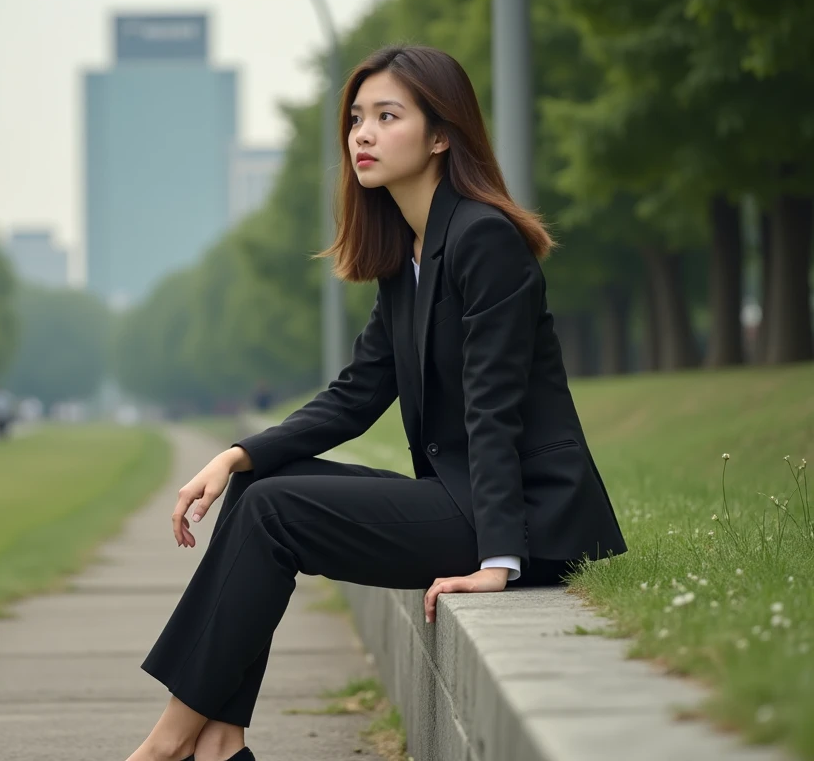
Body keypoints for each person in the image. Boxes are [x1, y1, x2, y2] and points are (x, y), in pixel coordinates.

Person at [126, 46, 628, 761]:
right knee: (260, 485)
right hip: (462, 503)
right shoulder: (411, 256)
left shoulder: (485, 240)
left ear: (441, 134)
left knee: (276, 510)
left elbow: (494, 410)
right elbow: (356, 395)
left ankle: (165, 747)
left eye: (386, 116)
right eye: (356, 118)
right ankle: (219, 743)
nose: (361, 134)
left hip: (517, 524)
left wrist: (498, 562)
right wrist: (237, 454)